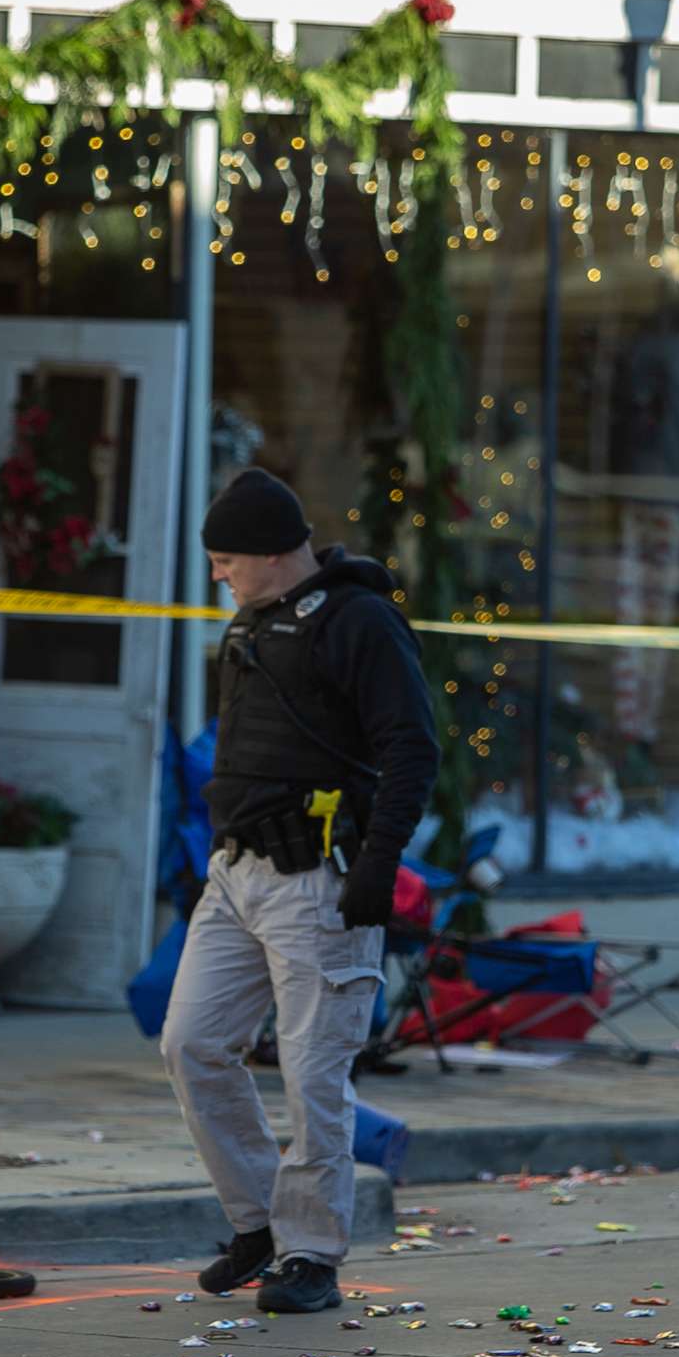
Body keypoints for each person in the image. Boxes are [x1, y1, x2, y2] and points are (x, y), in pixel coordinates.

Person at [160, 467, 438, 1314]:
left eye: (225, 559)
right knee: (191, 1044)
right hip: (237, 875)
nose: (217, 575)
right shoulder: (254, 621)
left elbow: (414, 749)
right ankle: (258, 1225)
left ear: (276, 554)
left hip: (320, 881)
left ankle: (311, 1253)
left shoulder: (359, 622)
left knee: (315, 1075)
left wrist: (379, 864)